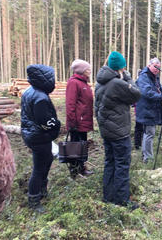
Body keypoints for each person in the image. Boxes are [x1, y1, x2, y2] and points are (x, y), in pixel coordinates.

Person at [95, 51, 141, 209]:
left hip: (107, 131)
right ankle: (122, 200)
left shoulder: (100, 82)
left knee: (110, 162)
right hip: (119, 132)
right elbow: (136, 94)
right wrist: (128, 78)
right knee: (122, 164)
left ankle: (108, 196)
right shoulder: (117, 83)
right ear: (121, 67)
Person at [21, 64, 61, 213]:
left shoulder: (29, 91)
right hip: (39, 137)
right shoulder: (40, 97)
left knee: (48, 159)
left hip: (32, 134)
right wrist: (57, 124)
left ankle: (43, 190)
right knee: (38, 168)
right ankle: (34, 200)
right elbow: (44, 120)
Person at [135, 58, 162, 163]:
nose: (157, 69)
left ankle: (146, 155)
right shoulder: (143, 77)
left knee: (149, 133)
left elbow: (161, 88)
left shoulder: (155, 77)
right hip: (146, 109)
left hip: (153, 109)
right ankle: (148, 159)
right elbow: (146, 92)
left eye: (159, 67)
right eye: (155, 66)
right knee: (149, 133)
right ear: (149, 66)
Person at [66, 59, 94, 176]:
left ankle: (81, 168)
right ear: (82, 70)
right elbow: (70, 104)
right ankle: (75, 170)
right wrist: (72, 121)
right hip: (77, 122)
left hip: (83, 120)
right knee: (75, 146)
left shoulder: (83, 83)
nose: (90, 71)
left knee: (82, 145)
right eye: (88, 69)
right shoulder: (74, 83)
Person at [133, 69, 144, 150]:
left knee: (138, 128)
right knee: (141, 128)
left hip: (138, 110)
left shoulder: (136, 83)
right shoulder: (141, 83)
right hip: (142, 109)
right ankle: (139, 144)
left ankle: (138, 144)